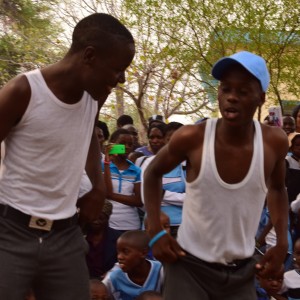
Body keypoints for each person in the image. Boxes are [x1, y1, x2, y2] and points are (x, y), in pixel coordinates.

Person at [0, 13, 135, 300]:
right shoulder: (22, 91)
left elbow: (89, 136)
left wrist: (98, 187)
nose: (121, 79)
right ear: (89, 56)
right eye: (118, 69)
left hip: (66, 235)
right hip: (10, 232)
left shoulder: (94, 96)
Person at [143, 51, 289, 299]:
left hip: (241, 271)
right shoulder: (194, 137)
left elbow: (277, 189)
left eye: (243, 92)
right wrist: (155, 229)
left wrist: (282, 241)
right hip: (189, 266)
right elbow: (152, 174)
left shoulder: (274, 142)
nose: (231, 97)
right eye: (225, 89)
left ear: (261, 98)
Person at [102, 230, 164, 299]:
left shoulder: (160, 270)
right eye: (118, 252)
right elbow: (99, 292)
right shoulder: (114, 276)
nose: (119, 257)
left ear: (143, 253)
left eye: (125, 252)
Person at [103, 129, 142, 235]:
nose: (127, 147)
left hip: (131, 225)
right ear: (112, 143)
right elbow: (104, 191)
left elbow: (138, 201)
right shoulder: (102, 166)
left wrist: (111, 195)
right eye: (122, 143)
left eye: (130, 144)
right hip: (108, 224)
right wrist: (106, 162)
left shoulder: (136, 170)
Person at [85, 200, 119, 279]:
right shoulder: (80, 236)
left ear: (107, 218)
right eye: (93, 218)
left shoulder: (118, 238)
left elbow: (120, 264)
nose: (96, 221)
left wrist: (111, 273)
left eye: (101, 218)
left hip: (108, 280)